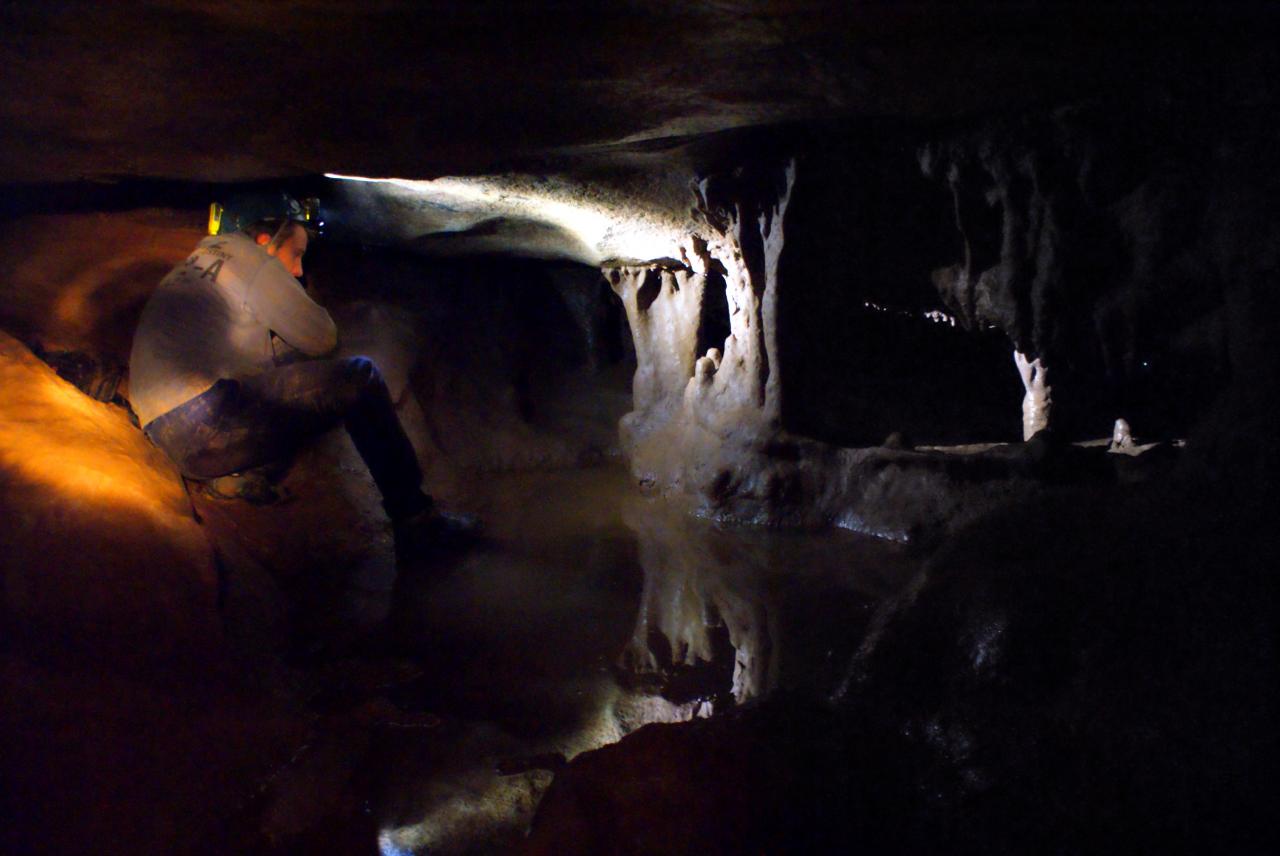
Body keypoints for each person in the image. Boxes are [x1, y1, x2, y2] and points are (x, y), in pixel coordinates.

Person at [129, 215, 469, 557]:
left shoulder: (199, 261)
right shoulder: (252, 260)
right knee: (359, 377)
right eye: (296, 253)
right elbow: (322, 337)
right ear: (265, 240)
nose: (298, 270)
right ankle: (417, 522)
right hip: (206, 418)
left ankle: (237, 473)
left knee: (282, 376)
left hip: (168, 433)